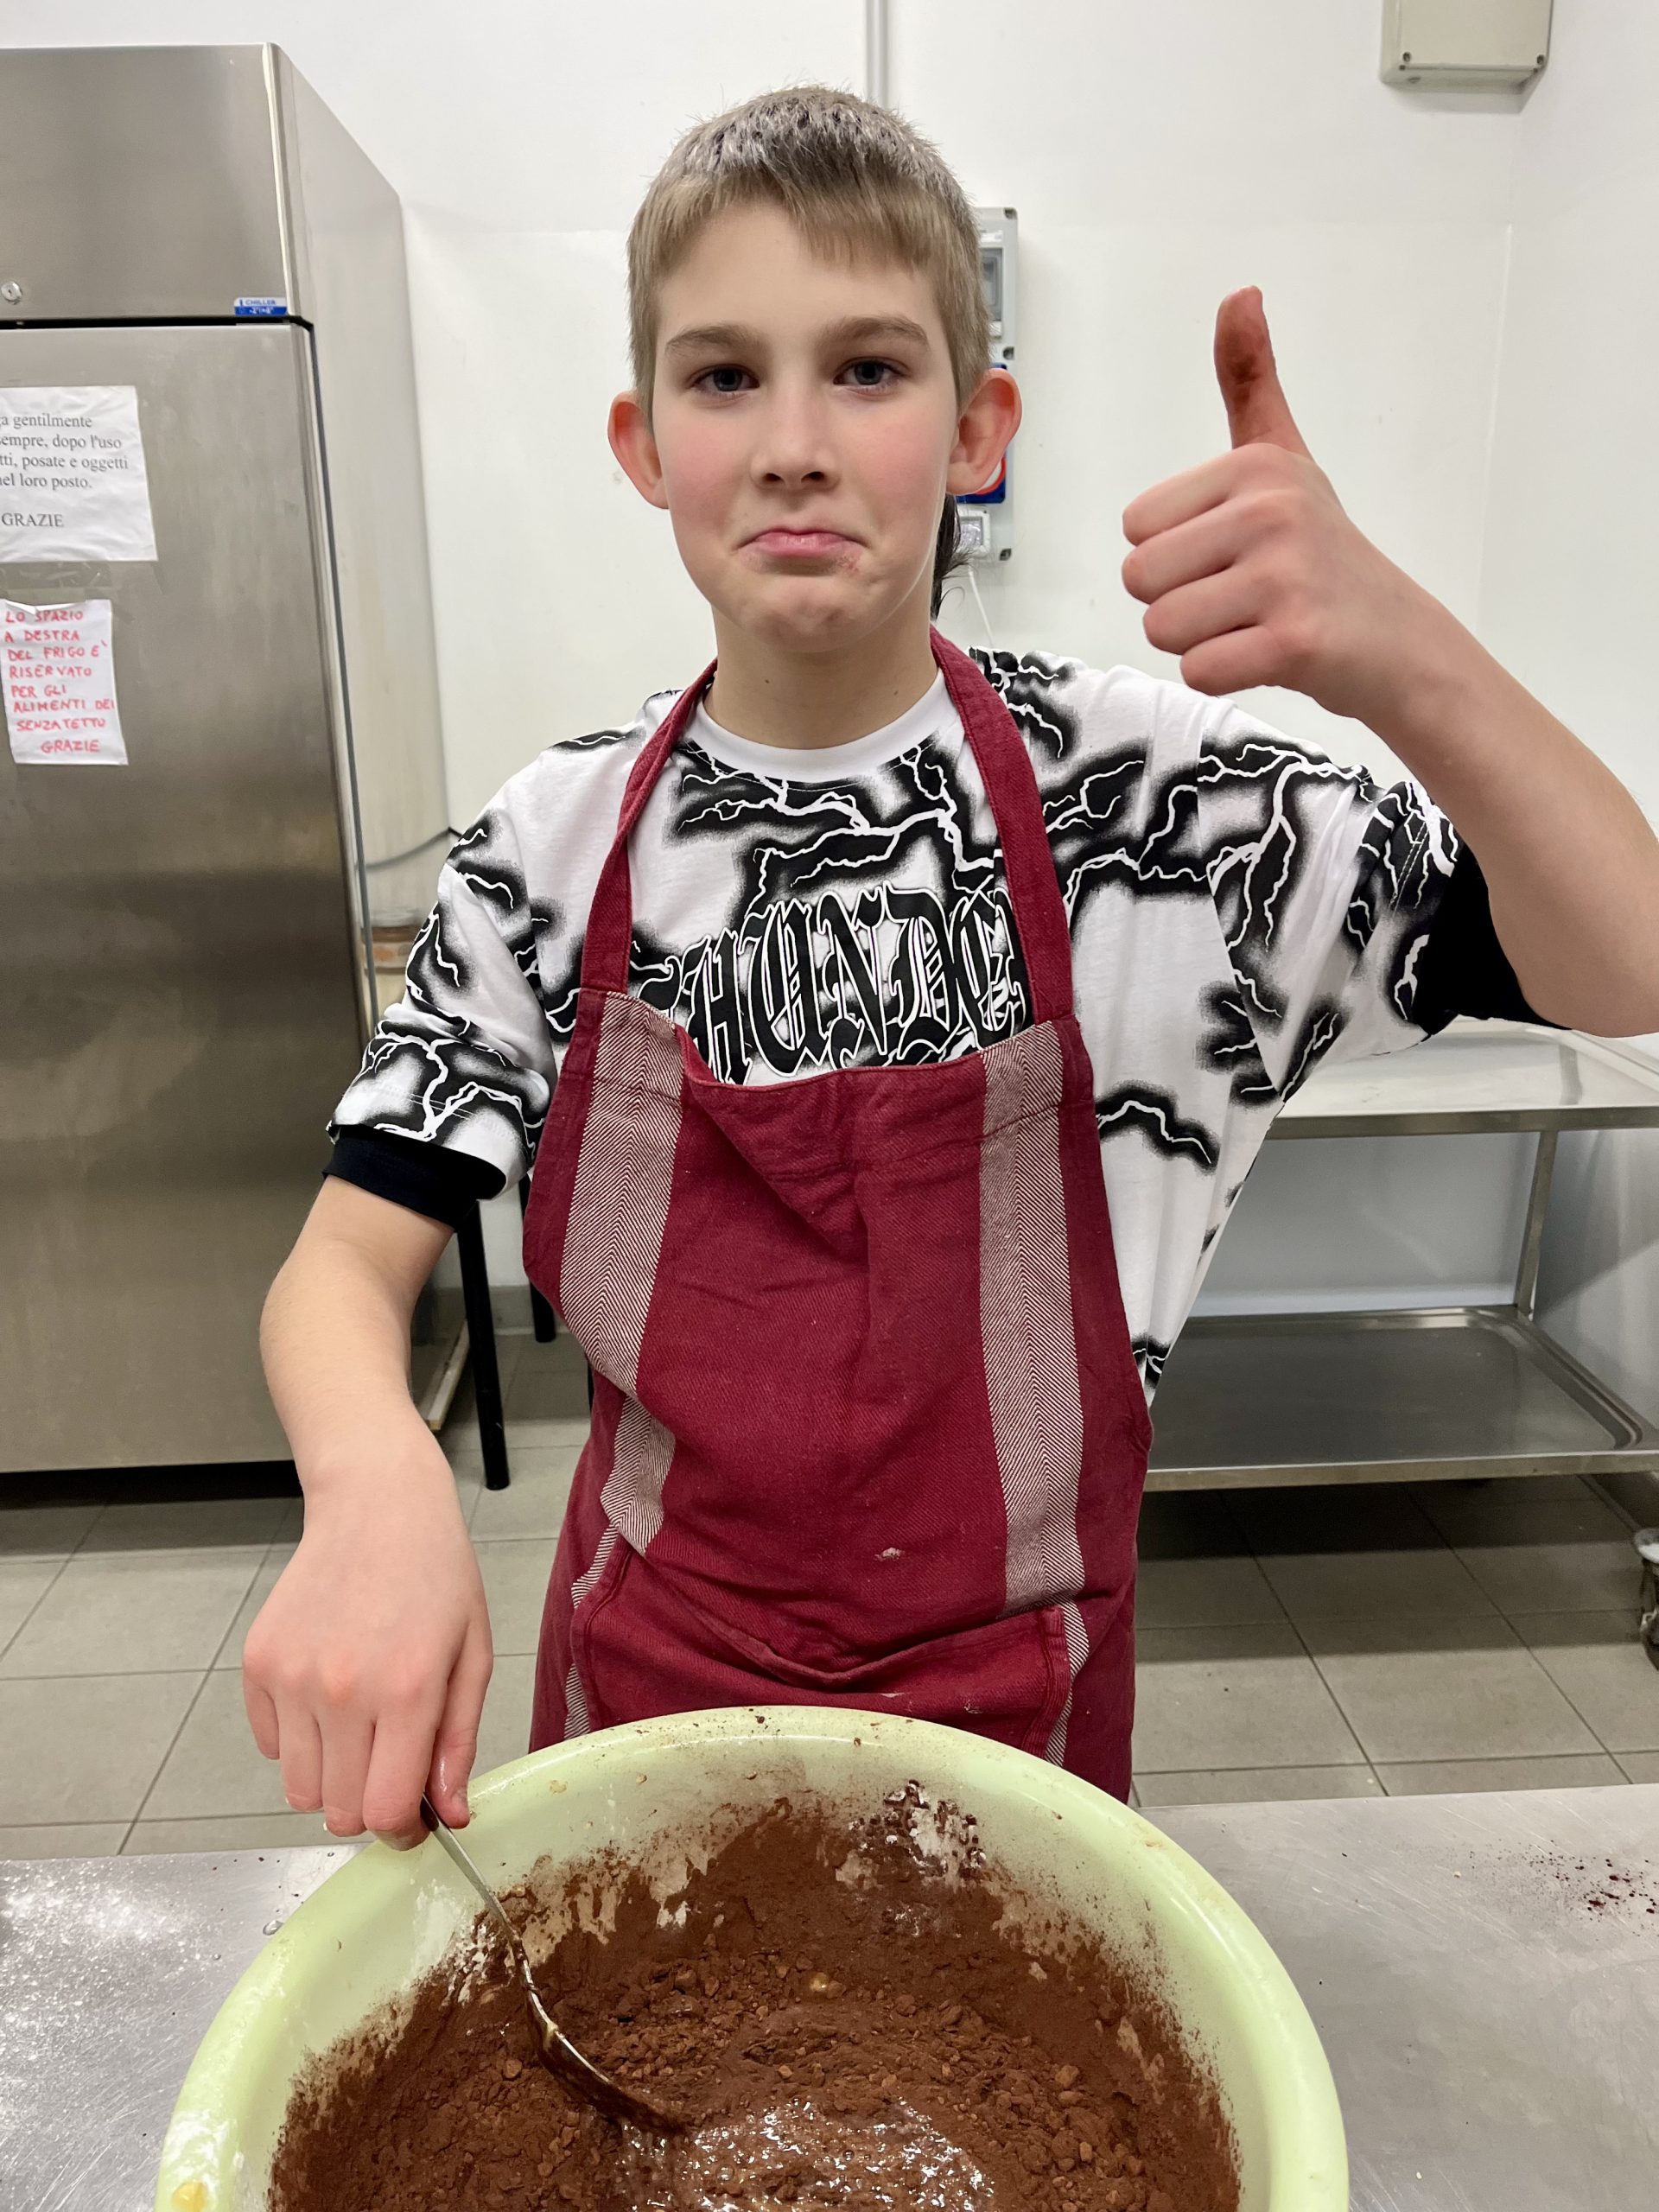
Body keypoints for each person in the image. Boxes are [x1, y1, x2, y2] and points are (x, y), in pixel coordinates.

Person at [247, 85, 1659, 1845]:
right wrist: (370, 1473)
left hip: (1021, 1761)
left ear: (980, 428)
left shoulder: (1156, 815)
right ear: (642, 441)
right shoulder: (552, 846)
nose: (793, 443)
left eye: (868, 368)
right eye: (723, 376)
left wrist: (1401, 657)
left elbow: (1623, 961)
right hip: (650, 1738)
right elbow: (342, 1259)